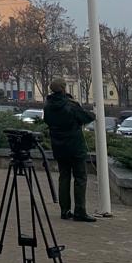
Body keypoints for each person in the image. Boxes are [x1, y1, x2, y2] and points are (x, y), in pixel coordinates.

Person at [43, 78, 96, 222]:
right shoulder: (70, 104)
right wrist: (93, 113)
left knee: (64, 177)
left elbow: (47, 121)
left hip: (59, 147)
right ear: (64, 88)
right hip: (75, 147)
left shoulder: (47, 105)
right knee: (80, 178)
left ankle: (64, 210)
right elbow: (87, 117)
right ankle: (80, 211)